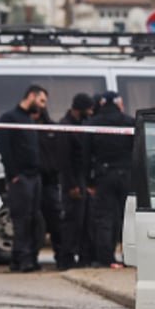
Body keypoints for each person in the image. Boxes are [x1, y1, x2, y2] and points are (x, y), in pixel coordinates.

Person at [0, 84, 48, 273]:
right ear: (31, 96)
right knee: (22, 220)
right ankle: (21, 259)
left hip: (34, 177)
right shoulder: (10, 118)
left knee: (34, 219)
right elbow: (6, 150)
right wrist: (14, 176)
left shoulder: (29, 119)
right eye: (41, 100)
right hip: (21, 178)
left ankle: (29, 258)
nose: (43, 106)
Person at [84, 91, 135, 268]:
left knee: (104, 218)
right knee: (127, 217)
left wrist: (88, 181)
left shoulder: (93, 123)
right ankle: (129, 257)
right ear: (119, 104)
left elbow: (86, 155)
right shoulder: (130, 122)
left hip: (104, 176)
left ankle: (105, 258)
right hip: (127, 176)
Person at [57, 93, 94, 270]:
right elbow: (64, 159)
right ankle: (66, 259)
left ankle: (77, 257)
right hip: (72, 182)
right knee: (71, 222)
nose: (91, 112)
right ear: (79, 108)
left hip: (80, 180)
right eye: (88, 108)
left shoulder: (78, 125)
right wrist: (72, 185)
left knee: (81, 221)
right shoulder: (66, 127)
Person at [35, 104, 70, 270]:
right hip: (35, 179)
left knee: (56, 223)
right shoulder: (30, 130)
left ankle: (62, 258)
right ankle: (31, 258)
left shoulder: (52, 130)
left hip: (50, 181)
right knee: (32, 222)